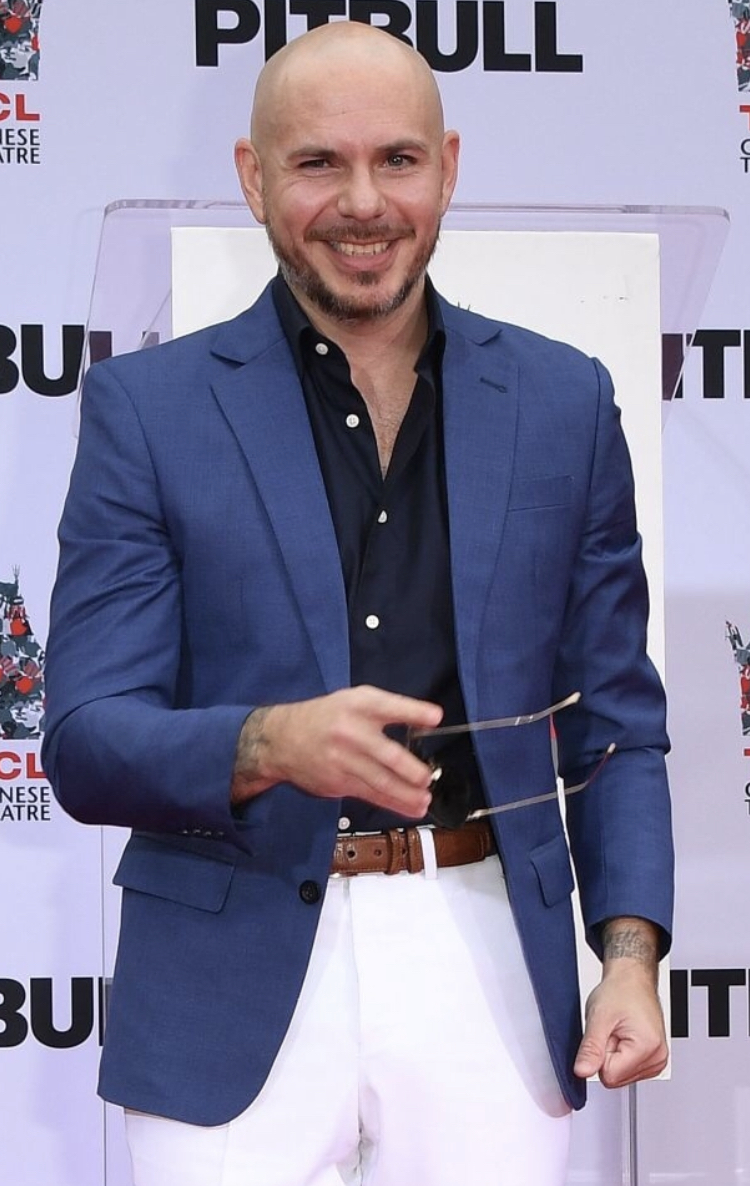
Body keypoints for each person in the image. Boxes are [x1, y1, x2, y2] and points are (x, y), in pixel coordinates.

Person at [43, 20, 673, 1186]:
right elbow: (86, 740)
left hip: (486, 955)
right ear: (253, 177)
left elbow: (616, 726)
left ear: (449, 167)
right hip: (227, 967)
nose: (364, 203)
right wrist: (269, 741)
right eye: (318, 163)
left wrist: (629, 953)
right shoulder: (149, 410)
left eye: (398, 159)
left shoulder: (563, 404)